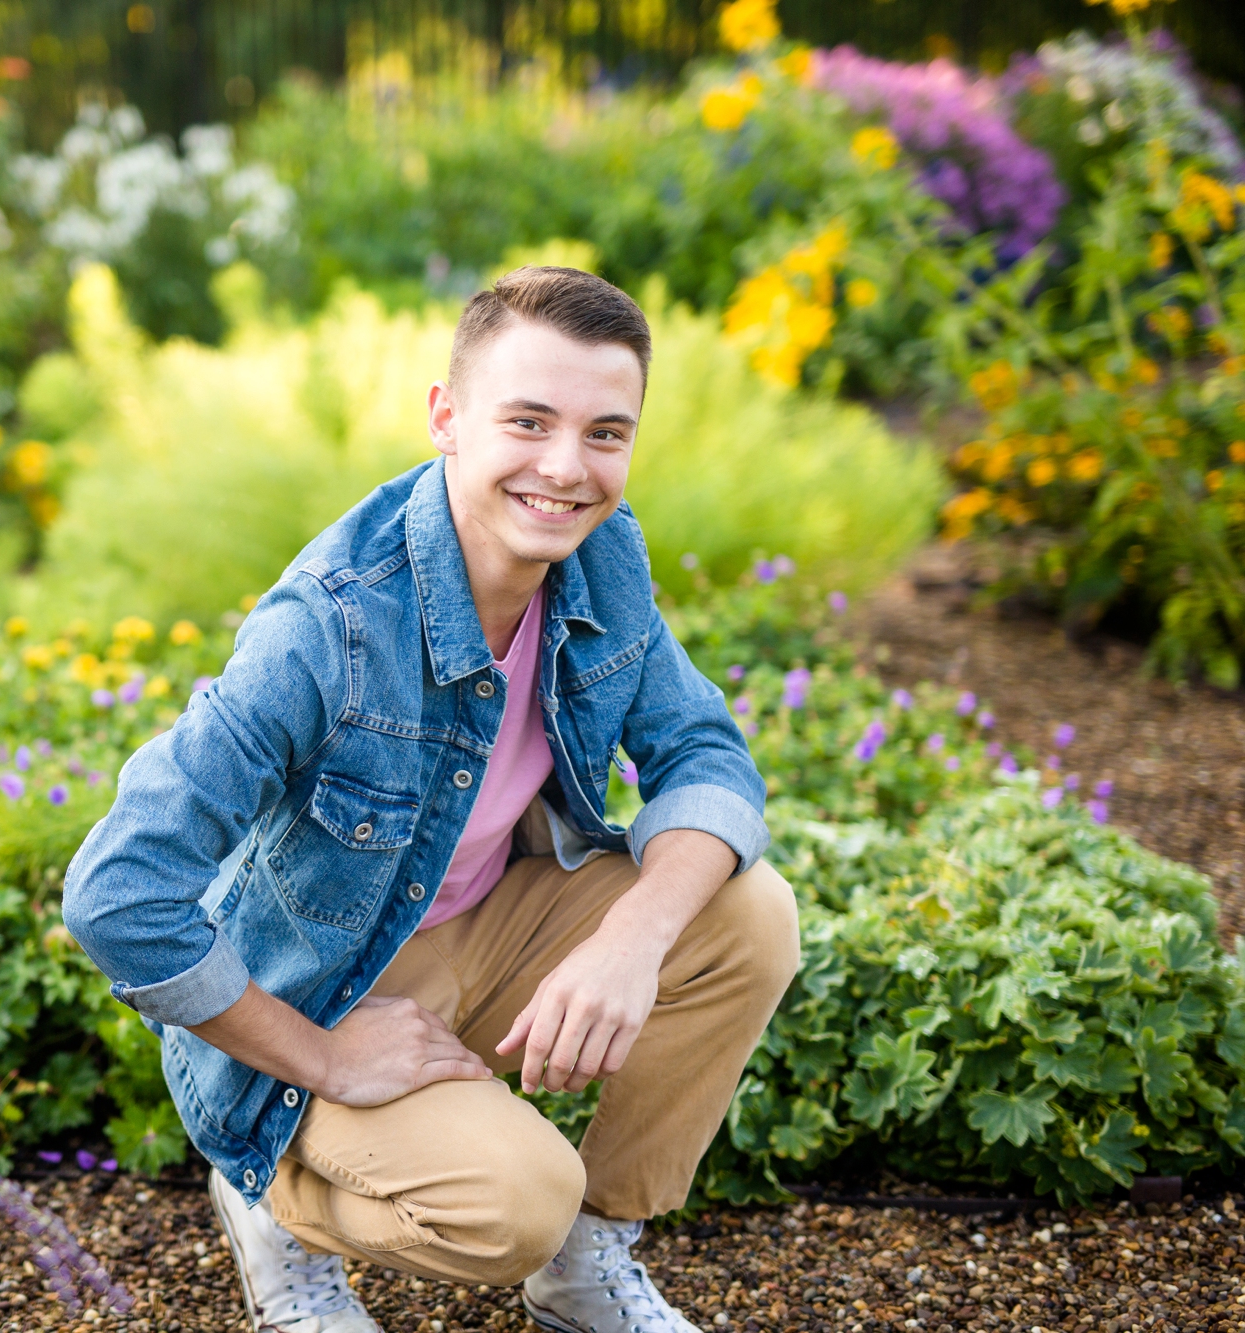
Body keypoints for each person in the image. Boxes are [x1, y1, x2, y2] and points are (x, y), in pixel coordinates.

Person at [62, 266, 800, 1333]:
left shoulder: (601, 559)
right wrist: (318, 1055)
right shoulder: (330, 628)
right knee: (512, 1209)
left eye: (604, 432)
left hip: (483, 926)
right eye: (528, 421)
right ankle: (271, 1201)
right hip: (319, 986)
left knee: (746, 915)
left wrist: (632, 937)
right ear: (446, 418)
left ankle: (591, 1260)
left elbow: (703, 754)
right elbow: (116, 891)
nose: (565, 468)